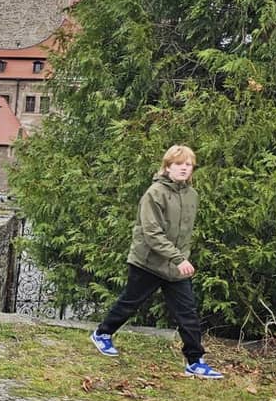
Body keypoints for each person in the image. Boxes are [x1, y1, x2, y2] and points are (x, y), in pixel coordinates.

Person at [89, 144, 224, 379]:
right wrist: (178, 258)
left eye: (188, 165)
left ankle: (195, 361)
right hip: (148, 262)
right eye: (179, 164)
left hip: (175, 267)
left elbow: (184, 232)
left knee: (188, 313)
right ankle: (102, 334)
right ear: (167, 167)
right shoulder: (155, 193)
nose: (184, 169)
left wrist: (181, 259)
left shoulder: (192, 195)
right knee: (131, 302)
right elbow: (152, 233)